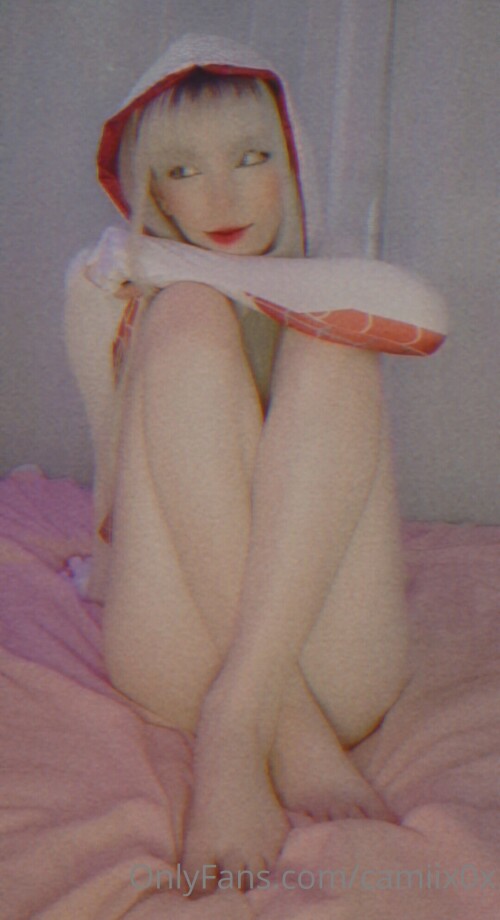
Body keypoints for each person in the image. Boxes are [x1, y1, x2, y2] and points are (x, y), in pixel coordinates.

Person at [65, 34, 446, 887]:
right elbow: (110, 469)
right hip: (181, 654)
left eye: (251, 157)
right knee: (185, 318)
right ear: (148, 188)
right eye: (182, 170)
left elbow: (421, 315)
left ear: (294, 159)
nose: (222, 196)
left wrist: (174, 260)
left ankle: (245, 710)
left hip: (335, 661)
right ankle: (267, 724)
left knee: (335, 342)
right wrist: (172, 285)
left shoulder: (335, 279)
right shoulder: (102, 282)